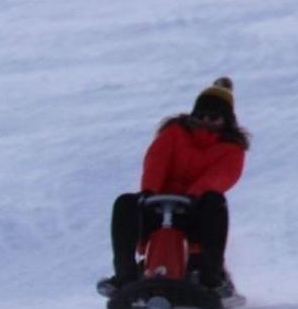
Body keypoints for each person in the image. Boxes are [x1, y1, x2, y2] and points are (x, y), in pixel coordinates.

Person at [99, 77, 250, 297]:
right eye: (201, 115)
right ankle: (125, 275)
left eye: (214, 117)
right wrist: (149, 192)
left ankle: (211, 277)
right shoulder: (174, 133)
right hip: (158, 204)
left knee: (215, 203)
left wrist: (194, 195)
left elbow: (223, 175)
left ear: (226, 121)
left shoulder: (231, 147)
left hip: (196, 208)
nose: (206, 121)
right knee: (125, 203)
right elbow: (157, 162)